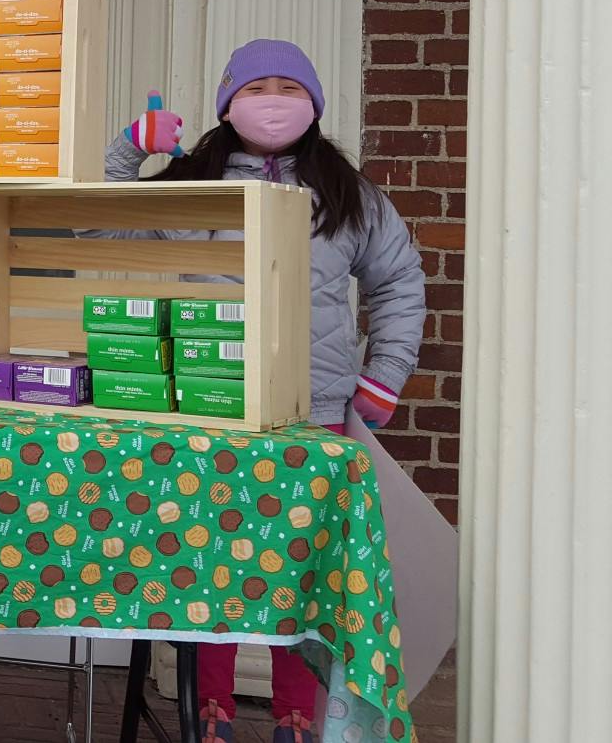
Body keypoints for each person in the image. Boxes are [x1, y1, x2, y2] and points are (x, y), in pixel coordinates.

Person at [110, 38, 425, 743]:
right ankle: (212, 707)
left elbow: (399, 282)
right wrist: (130, 150)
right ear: (229, 101)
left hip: (314, 411)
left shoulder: (350, 193)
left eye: (289, 86)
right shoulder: (191, 182)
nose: (273, 100)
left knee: (304, 564)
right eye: (258, 87)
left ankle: (295, 714)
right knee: (211, 555)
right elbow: (102, 221)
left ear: (313, 102)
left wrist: (383, 378)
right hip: (207, 403)